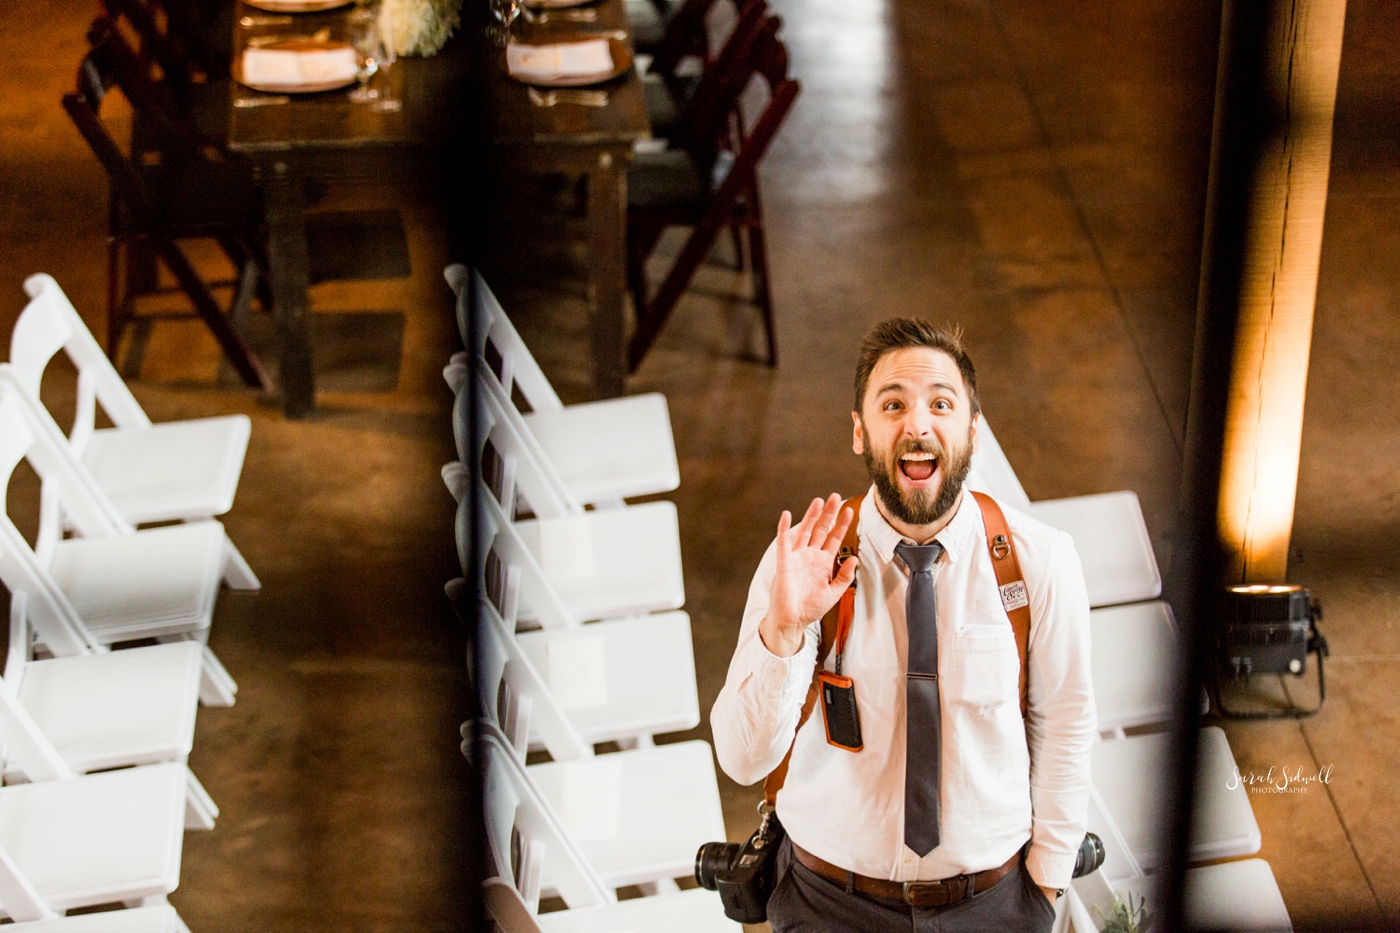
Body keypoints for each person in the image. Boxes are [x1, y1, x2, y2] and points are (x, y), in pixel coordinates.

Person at [711, 319, 1096, 932]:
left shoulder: (1038, 561)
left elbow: (1067, 721)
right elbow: (741, 758)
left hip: (992, 906)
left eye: (940, 404)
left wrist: (1045, 887)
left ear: (972, 431)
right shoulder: (805, 562)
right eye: (893, 404)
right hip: (826, 901)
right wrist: (783, 629)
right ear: (860, 433)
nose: (918, 425)